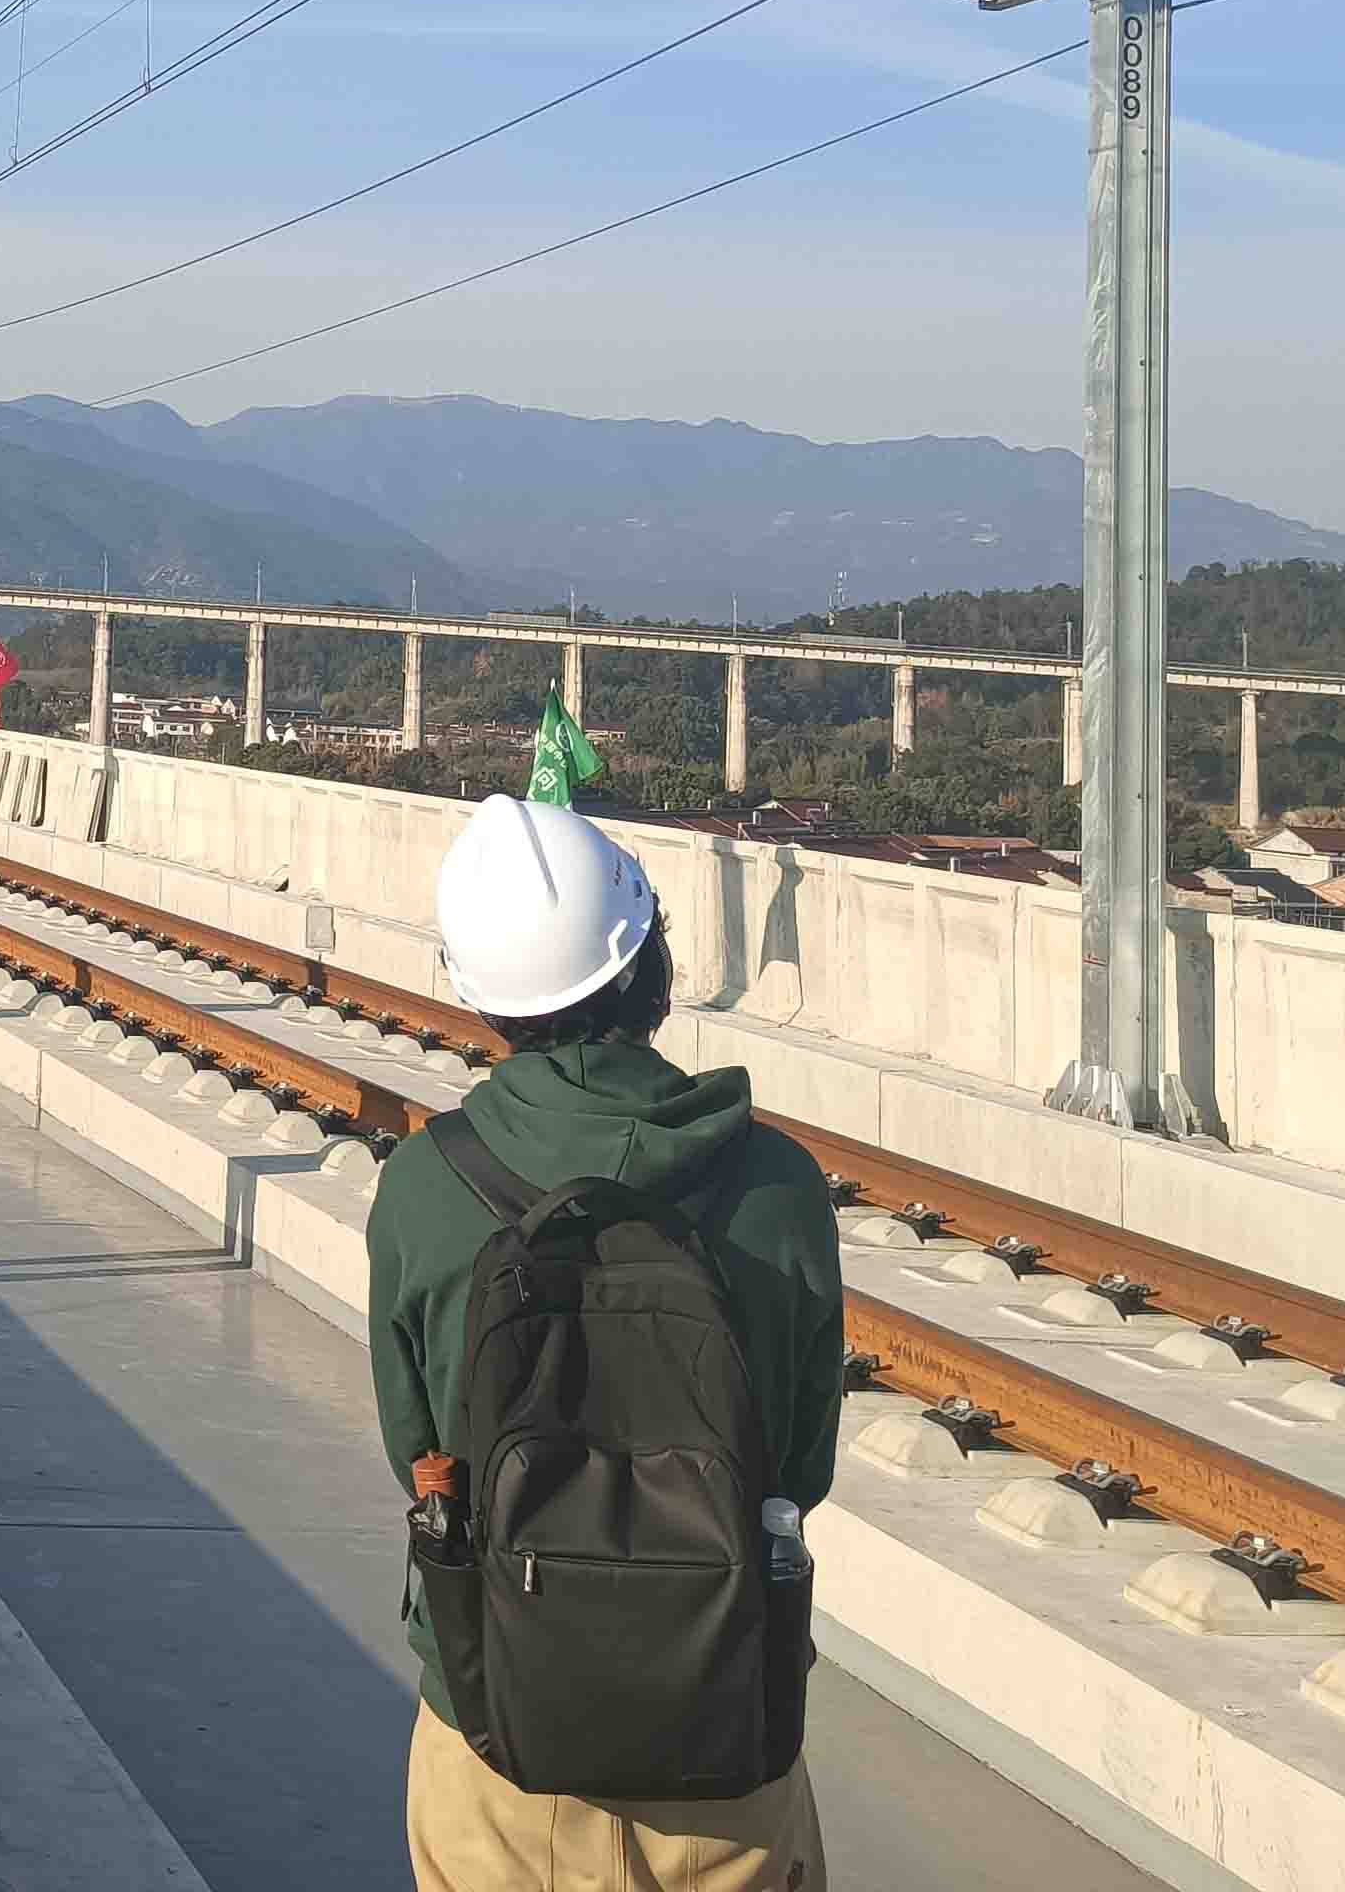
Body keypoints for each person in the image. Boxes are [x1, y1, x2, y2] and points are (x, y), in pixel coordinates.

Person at [369, 796, 845, 1892]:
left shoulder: (428, 1183)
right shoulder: (778, 1185)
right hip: (726, 1710)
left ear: (482, 998)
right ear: (650, 969)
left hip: (495, 1716)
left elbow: (418, 1450)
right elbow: (801, 1462)